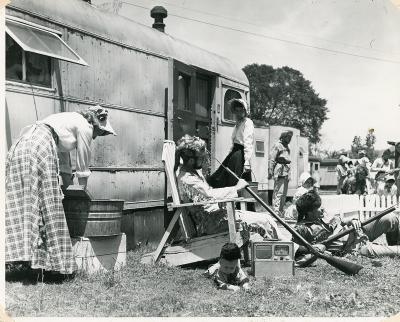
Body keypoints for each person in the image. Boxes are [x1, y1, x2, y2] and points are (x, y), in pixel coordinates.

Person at [5, 105, 116, 274]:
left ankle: (25, 259)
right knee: (49, 203)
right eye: (101, 133)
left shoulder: (66, 123)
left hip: (22, 145)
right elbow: (82, 167)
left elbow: (65, 168)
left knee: (27, 202)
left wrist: (70, 190)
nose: (97, 137)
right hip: (40, 146)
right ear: (96, 125)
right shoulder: (85, 127)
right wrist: (82, 198)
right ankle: (55, 263)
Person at [175, 134, 285, 241]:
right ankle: (290, 249)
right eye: (201, 158)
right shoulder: (187, 178)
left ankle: (291, 247)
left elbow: (205, 196)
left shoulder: (192, 173)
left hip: (216, 217)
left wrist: (221, 200)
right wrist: (236, 188)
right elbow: (210, 194)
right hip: (211, 224)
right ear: (191, 161)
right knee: (264, 221)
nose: (204, 160)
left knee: (267, 219)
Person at [292, 190, 400, 263]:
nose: (323, 209)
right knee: (396, 251)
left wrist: (350, 220)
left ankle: (395, 242)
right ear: (309, 212)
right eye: (318, 208)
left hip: (360, 231)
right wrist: (311, 249)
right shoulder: (302, 229)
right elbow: (292, 248)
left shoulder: (322, 215)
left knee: (390, 218)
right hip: (355, 248)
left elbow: (341, 221)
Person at [208, 98, 254, 188]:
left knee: (236, 178)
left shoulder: (248, 122)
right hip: (235, 152)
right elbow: (234, 141)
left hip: (241, 153)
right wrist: (230, 154)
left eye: (240, 110)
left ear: (244, 111)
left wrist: (247, 161)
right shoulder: (238, 123)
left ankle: (239, 200)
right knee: (223, 175)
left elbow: (248, 142)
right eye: (236, 110)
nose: (238, 113)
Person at [268, 130, 293, 215]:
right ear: (283, 136)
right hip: (280, 170)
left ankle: (281, 210)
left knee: (284, 193)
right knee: (278, 192)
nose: (290, 139)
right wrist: (270, 171)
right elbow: (272, 159)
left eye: (291, 137)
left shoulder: (288, 147)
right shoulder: (278, 145)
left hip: (286, 170)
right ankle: (275, 211)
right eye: (288, 137)